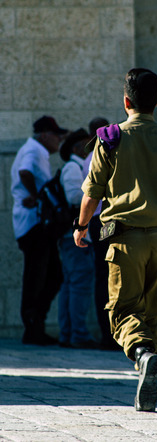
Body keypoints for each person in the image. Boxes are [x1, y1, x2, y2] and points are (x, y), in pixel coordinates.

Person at [73, 68, 157, 412]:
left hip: (125, 239)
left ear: (125, 101)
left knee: (122, 311)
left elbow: (92, 192)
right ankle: (149, 373)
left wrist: (81, 226)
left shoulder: (110, 138)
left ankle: (143, 355)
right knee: (154, 312)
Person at [10, 116, 68, 345]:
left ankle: (36, 325)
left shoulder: (34, 149)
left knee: (51, 276)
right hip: (33, 225)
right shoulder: (34, 150)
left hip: (34, 226)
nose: (59, 141)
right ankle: (33, 327)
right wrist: (34, 195)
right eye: (57, 136)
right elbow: (25, 173)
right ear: (45, 135)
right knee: (39, 277)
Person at [58, 128, 98, 349]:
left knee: (71, 284)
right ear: (76, 148)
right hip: (76, 236)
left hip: (71, 235)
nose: (90, 147)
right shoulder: (73, 167)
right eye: (86, 144)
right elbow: (74, 196)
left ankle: (68, 333)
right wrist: (95, 192)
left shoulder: (73, 167)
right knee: (79, 284)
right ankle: (78, 334)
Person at [83, 117, 120, 350]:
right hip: (105, 221)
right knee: (110, 277)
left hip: (100, 221)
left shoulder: (93, 155)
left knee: (106, 277)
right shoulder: (101, 155)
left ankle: (110, 334)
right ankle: (110, 334)